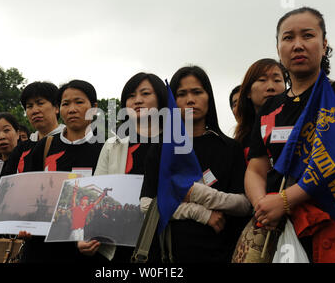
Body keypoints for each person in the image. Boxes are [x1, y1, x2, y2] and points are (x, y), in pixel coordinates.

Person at [246, 7, 335, 263]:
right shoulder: (269, 108)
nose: (298, 45)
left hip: (333, 221)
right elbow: (256, 167)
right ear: (278, 49)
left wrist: (285, 201)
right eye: (288, 38)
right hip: (278, 225)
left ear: (324, 44)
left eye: (307, 36)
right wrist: (262, 205)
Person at [140, 66, 252, 263]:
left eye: (197, 92)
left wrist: (195, 193)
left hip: (221, 254)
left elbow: (243, 204)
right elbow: (146, 204)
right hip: (168, 256)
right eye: (181, 94)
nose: (190, 99)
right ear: (173, 102)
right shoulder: (160, 148)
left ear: (209, 97)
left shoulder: (230, 148)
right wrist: (200, 213)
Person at [20, 79, 103, 263]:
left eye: (79, 102)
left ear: (94, 108)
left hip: (86, 248)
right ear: (59, 108)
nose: (72, 109)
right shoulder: (45, 146)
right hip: (43, 248)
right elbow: (30, 193)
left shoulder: (106, 147)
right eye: (66, 104)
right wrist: (25, 225)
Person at [93, 72, 168, 261]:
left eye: (145, 94)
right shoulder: (113, 144)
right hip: (119, 242)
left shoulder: (175, 143)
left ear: (161, 99)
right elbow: (97, 191)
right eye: (131, 96)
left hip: (163, 239)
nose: (137, 101)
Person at [2, 81, 64, 175]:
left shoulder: (69, 142)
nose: (34, 111)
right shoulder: (22, 149)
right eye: (29, 106)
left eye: (40, 103)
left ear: (56, 107)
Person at [234, 58, 287, 163]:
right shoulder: (238, 143)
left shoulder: (299, 123)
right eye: (262, 80)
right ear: (248, 92)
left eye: (277, 80)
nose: (271, 87)